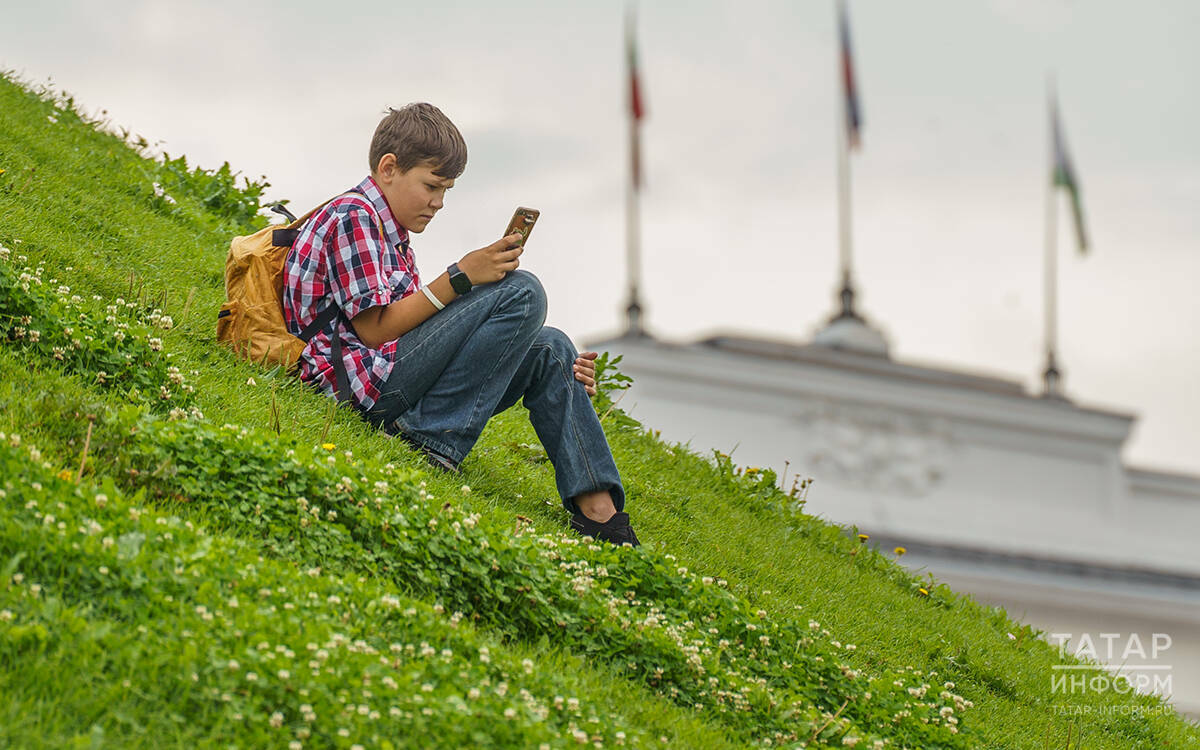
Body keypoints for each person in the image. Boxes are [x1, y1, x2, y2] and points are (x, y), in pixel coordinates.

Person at [282, 103, 638, 546]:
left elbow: (409, 326)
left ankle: (601, 515)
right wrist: (459, 277)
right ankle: (430, 441)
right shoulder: (354, 217)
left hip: (390, 377)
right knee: (523, 290)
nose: (438, 202)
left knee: (552, 348)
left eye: (446, 190)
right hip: (356, 386)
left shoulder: (391, 233)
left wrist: (555, 367)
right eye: (432, 186)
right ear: (389, 168)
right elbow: (373, 331)